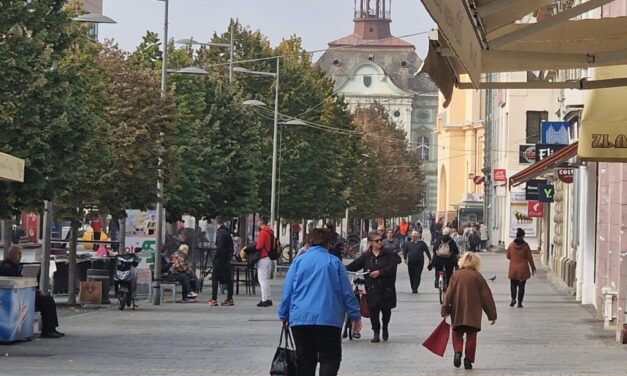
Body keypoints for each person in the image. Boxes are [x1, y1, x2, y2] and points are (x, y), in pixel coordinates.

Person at [279, 228, 361, 376]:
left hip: (301, 319)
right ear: (329, 244)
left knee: (305, 360)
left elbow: (288, 291)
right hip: (329, 319)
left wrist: (284, 315)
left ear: (309, 242)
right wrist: (355, 316)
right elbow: (347, 293)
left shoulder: (298, 262)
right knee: (330, 358)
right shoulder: (335, 263)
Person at [441, 252, 497, 370]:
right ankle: (468, 360)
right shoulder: (478, 277)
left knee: (456, 333)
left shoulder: (456, 275)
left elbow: (448, 294)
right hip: (473, 312)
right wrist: (492, 315)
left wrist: (444, 309)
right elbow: (486, 297)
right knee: (472, 336)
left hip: (457, 310)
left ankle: (458, 352)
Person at [347, 231, 401, 343]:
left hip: (386, 287)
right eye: (377, 241)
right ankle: (376, 332)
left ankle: (385, 326)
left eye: (381, 240)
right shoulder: (367, 255)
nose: (380, 242)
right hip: (372, 287)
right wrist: (343, 268)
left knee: (386, 311)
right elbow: (356, 265)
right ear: (371, 242)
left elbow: (392, 267)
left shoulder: (388, 253)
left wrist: (380, 272)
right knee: (373, 311)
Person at [0, 245, 64, 338]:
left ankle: (50, 328)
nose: (20, 256)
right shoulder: (8, 267)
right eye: (19, 254)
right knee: (46, 301)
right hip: (19, 297)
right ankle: (48, 329)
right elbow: (16, 283)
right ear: (12, 254)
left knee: (47, 299)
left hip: (22, 295)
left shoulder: (12, 266)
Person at [507, 228, 536, 308]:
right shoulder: (525, 246)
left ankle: (513, 299)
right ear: (523, 236)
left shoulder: (511, 245)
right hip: (523, 269)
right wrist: (533, 267)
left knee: (513, 284)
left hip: (513, 269)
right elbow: (530, 258)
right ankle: (519, 303)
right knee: (521, 286)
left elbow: (508, 256)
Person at [209, 216, 234, 307]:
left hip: (220, 260)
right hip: (227, 259)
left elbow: (220, 247)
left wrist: (215, 258)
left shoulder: (220, 233)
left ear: (216, 223)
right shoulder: (227, 232)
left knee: (215, 278)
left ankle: (214, 299)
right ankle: (230, 298)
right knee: (228, 279)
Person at [256, 216, 274, 307]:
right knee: (265, 279)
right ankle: (267, 297)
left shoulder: (263, 232)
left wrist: (253, 247)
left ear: (262, 222)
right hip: (268, 257)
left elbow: (259, 246)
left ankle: (264, 300)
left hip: (263, 257)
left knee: (262, 280)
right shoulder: (269, 232)